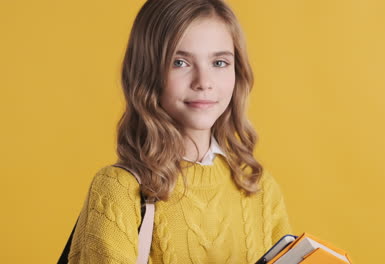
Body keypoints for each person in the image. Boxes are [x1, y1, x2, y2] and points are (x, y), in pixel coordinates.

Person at [68, 0, 292, 263]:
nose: (203, 82)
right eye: (180, 62)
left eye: (219, 62)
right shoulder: (119, 190)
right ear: (146, 71)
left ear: (237, 72)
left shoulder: (259, 188)